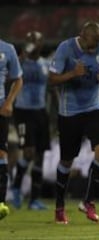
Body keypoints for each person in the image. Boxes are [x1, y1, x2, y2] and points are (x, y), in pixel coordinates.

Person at [48, 21, 99, 224]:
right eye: (90, 45)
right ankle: (59, 206)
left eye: (96, 45)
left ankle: (88, 201)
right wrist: (72, 74)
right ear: (81, 35)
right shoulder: (65, 48)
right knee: (67, 161)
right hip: (70, 112)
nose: (94, 50)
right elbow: (52, 78)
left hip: (94, 107)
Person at [11, 31, 50, 210]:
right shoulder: (20, 63)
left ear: (42, 44)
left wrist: (59, 112)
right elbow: (10, 76)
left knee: (41, 155)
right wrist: (24, 53)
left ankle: (34, 198)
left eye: (37, 40)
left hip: (41, 112)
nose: (34, 43)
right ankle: (16, 188)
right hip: (23, 111)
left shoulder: (45, 64)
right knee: (28, 152)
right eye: (30, 40)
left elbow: (52, 88)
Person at [0, 38, 23, 220]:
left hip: (0, 108)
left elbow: (18, 80)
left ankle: (0, 202)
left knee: (1, 154)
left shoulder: (7, 49)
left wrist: (9, 102)